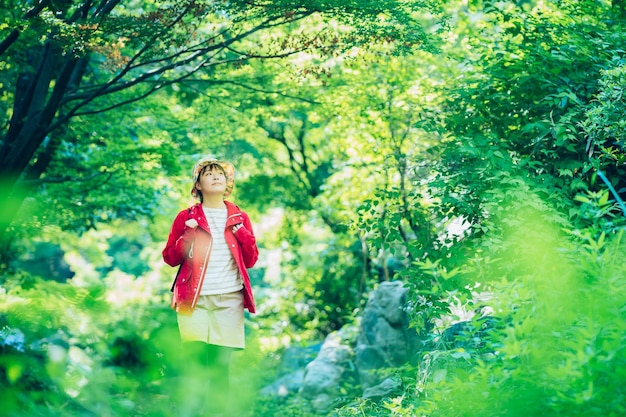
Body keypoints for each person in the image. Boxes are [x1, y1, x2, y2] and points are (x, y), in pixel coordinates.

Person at [162, 155, 258, 416]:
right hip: (193, 300)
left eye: (220, 174)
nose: (216, 177)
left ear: (227, 183)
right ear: (198, 186)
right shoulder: (186, 217)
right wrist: (189, 233)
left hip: (229, 300)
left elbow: (251, 259)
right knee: (195, 365)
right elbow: (170, 258)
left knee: (220, 367)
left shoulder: (239, 216)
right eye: (209, 174)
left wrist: (241, 232)